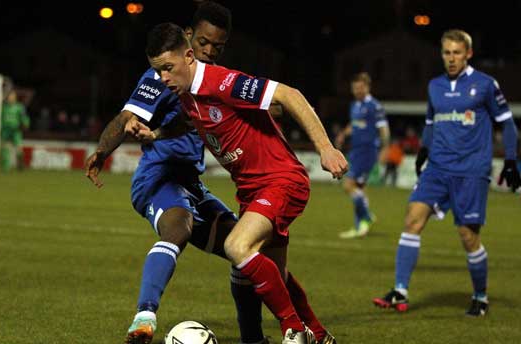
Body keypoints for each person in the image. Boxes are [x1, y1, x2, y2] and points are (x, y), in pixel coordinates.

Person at [85, 3, 312, 344]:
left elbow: (183, 123)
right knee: (179, 225)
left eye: (217, 47)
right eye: (204, 43)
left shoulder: (207, 82)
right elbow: (126, 116)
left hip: (192, 185)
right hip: (158, 180)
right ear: (188, 41)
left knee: (247, 253)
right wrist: (103, 151)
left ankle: (256, 338)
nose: (209, 51)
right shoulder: (162, 75)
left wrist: (157, 133)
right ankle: (144, 319)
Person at [133, 22, 347, 344]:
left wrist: (326, 148)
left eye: (167, 68)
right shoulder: (187, 95)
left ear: (189, 57)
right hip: (251, 191)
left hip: (280, 180)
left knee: (236, 246)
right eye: (157, 71)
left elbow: (290, 95)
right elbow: (187, 122)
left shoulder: (222, 82)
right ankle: (317, 333)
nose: (162, 78)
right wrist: (156, 134)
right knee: (273, 273)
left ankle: (293, 330)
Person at [373, 29, 521, 316]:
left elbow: (508, 123)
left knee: (468, 236)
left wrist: (512, 160)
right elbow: (430, 122)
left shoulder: (486, 84)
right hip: (437, 168)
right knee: (412, 219)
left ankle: (480, 296)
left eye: (456, 53)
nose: (451, 58)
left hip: (470, 171)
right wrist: (424, 152)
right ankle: (400, 291)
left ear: (468, 54)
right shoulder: (435, 86)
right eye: (446, 53)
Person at [334, 73, 390, 238]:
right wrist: (343, 134)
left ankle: (366, 216)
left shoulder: (374, 106)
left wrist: (384, 150)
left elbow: (384, 130)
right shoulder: (355, 105)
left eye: (360, 87)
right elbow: (355, 124)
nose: (357, 91)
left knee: (348, 185)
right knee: (359, 189)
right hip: (356, 150)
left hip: (367, 152)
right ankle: (361, 227)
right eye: (355, 88)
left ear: (367, 87)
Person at [0, 89, 30, 171]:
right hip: (6, 130)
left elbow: (24, 117)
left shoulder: (19, 107)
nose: (11, 98)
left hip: (16, 130)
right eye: (10, 96)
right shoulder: (4, 107)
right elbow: (0, 118)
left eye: (12, 96)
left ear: (15, 97)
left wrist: (26, 124)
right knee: (5, 147)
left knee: (18, 148)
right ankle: (6, 167)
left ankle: (20, 164)